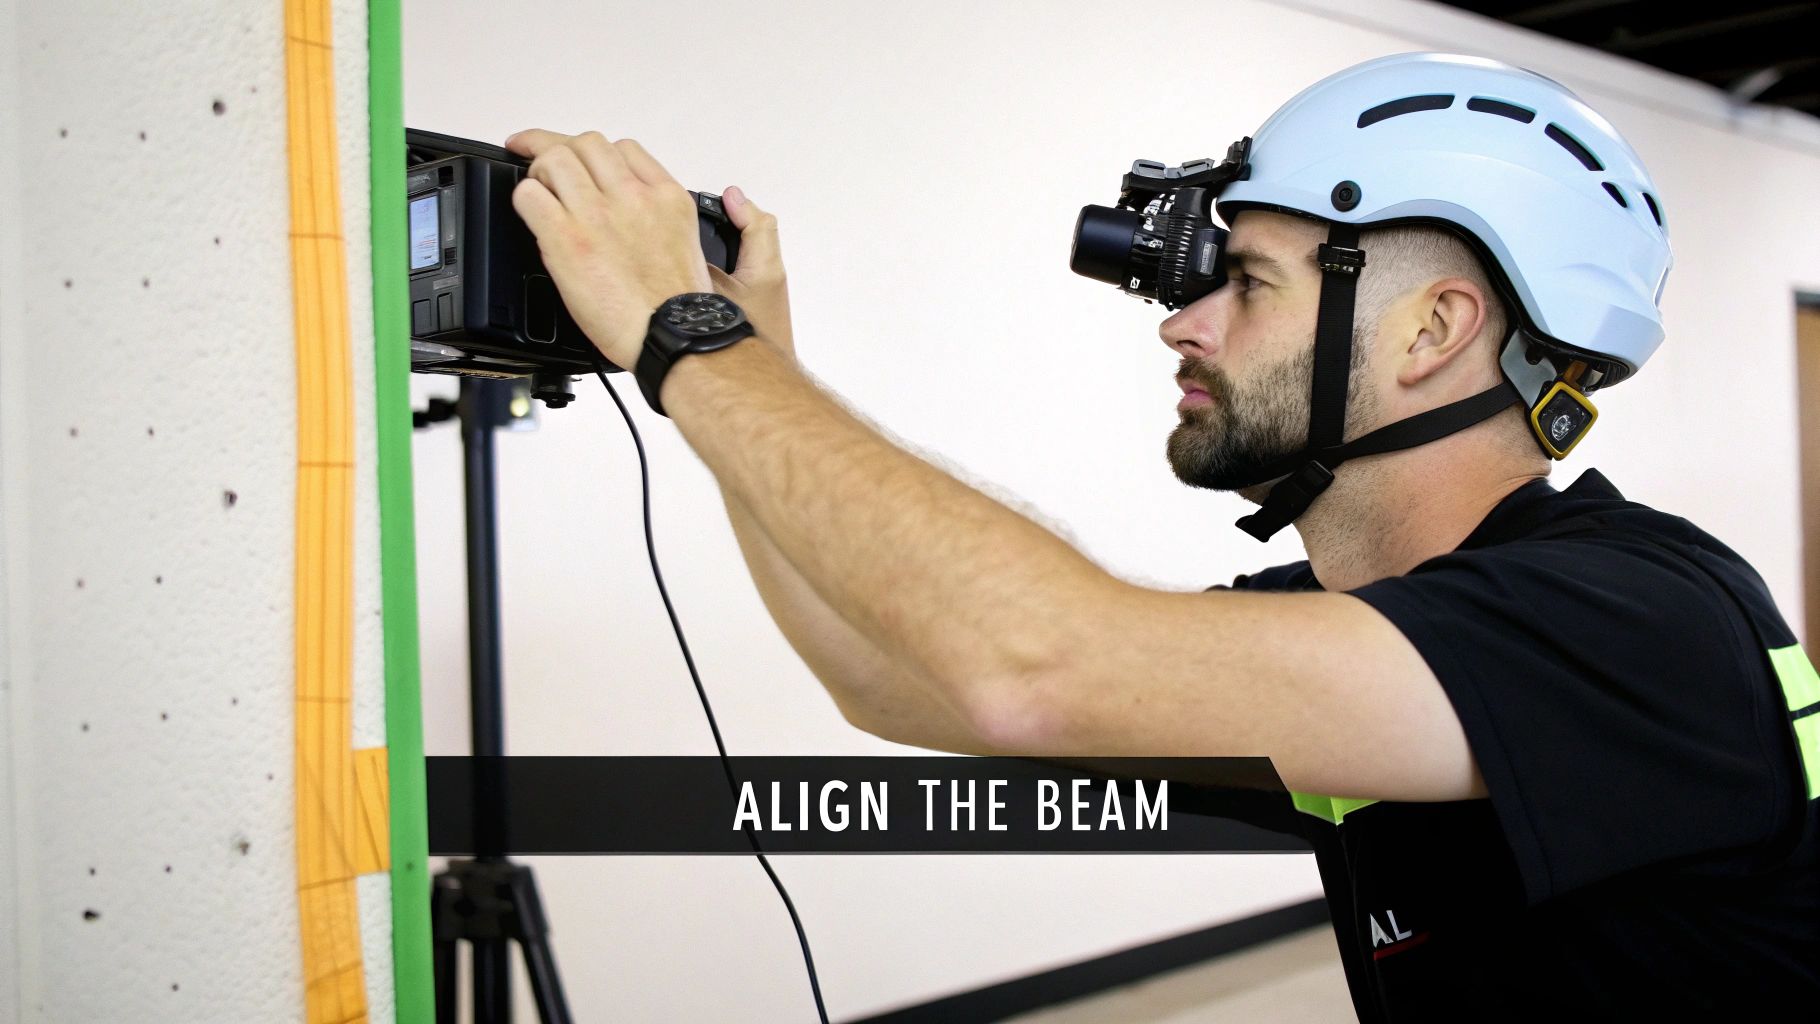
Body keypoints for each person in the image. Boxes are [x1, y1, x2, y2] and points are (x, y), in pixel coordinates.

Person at [502, 50, 1819, 1021]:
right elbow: (890, 677)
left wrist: (694, 343)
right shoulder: (1367, 639)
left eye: (1245, 286)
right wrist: (753, 371)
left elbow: (1035, 663)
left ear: (1435, 332)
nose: (1182, 327)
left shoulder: (1635, 622)